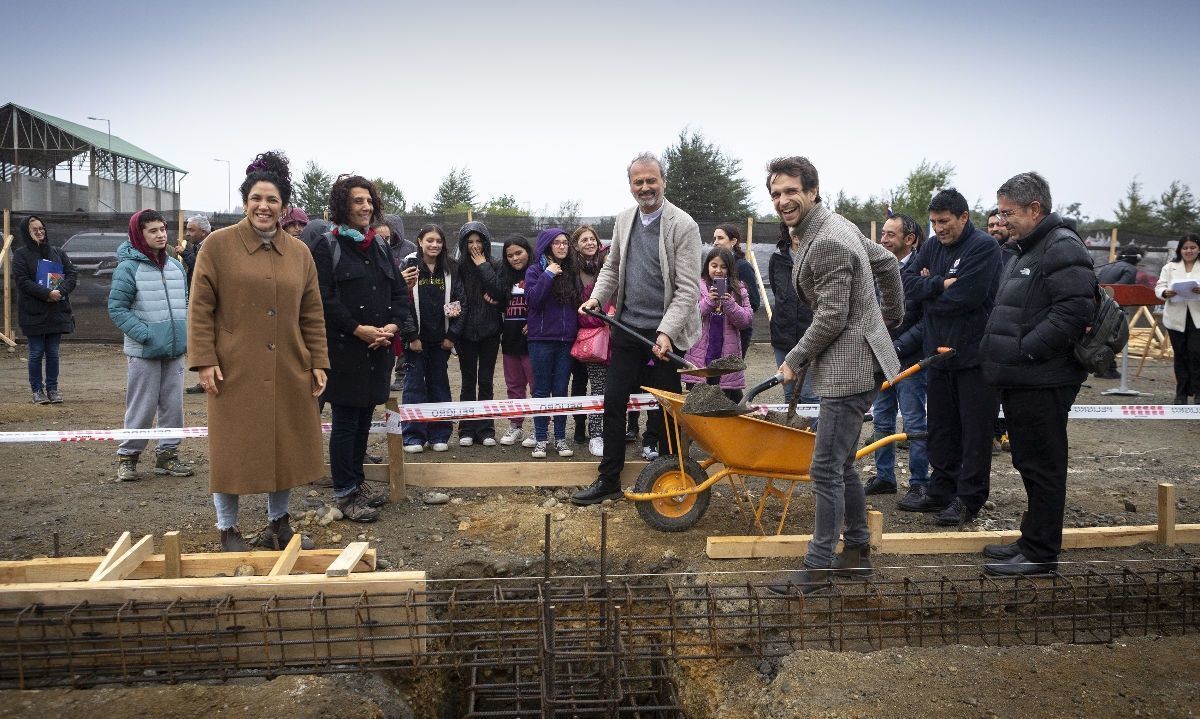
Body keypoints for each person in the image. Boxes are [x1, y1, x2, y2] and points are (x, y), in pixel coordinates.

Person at [763, 156, 903, 595]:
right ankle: (857, 553)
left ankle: (819, 566)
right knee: (841, 464)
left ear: (812, 191)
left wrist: (794, 359)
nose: (783, 200)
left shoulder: (828, 241)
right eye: (776, 193)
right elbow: (886, 263)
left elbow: (832, 317)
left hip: (851, 366)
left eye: (791, 191)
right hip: (859, 356)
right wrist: (890, 317)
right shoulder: (831, 225)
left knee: (823, 467)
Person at [188, 151, 329, 552]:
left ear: (284, 207)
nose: (263, 207)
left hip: (288, 364)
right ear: (245, 202)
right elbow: (200, 307)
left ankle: (277, 524)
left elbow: (312, 313)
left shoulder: (300, 253)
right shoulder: (217, 245)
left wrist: (318, 360)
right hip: (233, 367)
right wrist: (204, 360)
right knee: (231, 449)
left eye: (272, 200)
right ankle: (227, 529)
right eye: (256, 199)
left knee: (283, 445)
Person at [979, 171, 1094, 576]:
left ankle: (1042, 553)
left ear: (1035, 209)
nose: (1001, 220)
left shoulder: (1060, 246)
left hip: (1044, 378)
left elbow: (1075, 312)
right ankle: (1032, 539)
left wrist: (1024, 352)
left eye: (1007, 212)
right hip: (1024, 377)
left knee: (1043, 465)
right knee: (1028, 462)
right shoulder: (1028, 249)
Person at [574, 153, 702, 505]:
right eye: (638, 182)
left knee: (667, 410)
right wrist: (598, 299)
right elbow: (612, 267)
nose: (645, 187)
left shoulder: (684, 225)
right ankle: (609, 479)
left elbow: (688, 289)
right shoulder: (624, 220)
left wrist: (667, 333)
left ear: (663, 181)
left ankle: (671, 479)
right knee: (614, 401)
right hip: (628, 329)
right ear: (630, 184)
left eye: (651, 180)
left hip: (665, 335)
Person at [895, 189, 1002, 527]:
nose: (939, 228)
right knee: (940, 427)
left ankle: (968, 498)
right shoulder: (931, 247)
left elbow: (967, 298)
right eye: (934, 222)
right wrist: (939, 285)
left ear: (963, 218)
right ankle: (940, 489)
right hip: (937, 356)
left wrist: (931, 293)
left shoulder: (983, 248)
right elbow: (907, 284)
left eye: (945, 221)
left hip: (973, 357)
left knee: (973, 431)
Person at [313, 175, 415, 523]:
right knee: (345, 421)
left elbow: (399, 294)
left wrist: (394, 326)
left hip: (378, 350)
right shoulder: (327, 247)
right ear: (343, 205)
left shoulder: (381, 246)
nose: (365, 207)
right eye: (358, 201)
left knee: (362, 420)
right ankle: (345, 492)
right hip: (344, 350)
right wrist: (357, 329)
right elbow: (322, 299)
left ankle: (356, 483)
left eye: (369, 201)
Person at [107, 209, 194, 481]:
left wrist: (184, 334)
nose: (160, 235)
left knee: (173, 405)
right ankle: (128, 458)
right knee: (141, 406)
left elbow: (185, 303)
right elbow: (117, 308)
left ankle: (167, 456)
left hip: (175, 350)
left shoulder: (176, 267)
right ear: (139, 234)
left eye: (162, 229)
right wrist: (145, 334)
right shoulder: (128, 268)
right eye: (153, 230)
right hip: (144, 351)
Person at [864, 213, 929, 504]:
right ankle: (885, 477)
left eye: (891, 234)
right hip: (882, 358)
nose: (884, 239)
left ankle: (919, 482)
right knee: (882, 420)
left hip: (909, 359)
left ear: (909, 239)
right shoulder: (879, 269)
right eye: (883, 234)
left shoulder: (920, 270)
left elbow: (925, 321)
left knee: (914, 423)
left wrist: (899, 348)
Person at [401, 224, 463, 453]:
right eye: (430, 240)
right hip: (416, 341)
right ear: (419, 241)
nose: (434, 245)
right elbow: (402, 302)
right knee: (414, 386)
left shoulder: (451, 268)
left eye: (438, 241)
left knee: (439, 386)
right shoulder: (409, 266)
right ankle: (413, 436)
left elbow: (459, 300)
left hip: (441, 341)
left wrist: (452, 336)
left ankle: (440, 434)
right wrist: (411, 336)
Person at [526, 228, 580, 459]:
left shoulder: (572, 272)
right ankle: (540, 439)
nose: (562, 246)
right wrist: (547, 274)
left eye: (565, 243)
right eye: (557, 243)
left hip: (566, 340)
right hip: (541, 340)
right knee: (540, 390)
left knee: (561, 390)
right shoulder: (535, 270)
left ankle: (559, 438)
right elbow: (533, 301)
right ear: (547, 246)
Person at [12, 215, 77, 405]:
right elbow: (23, 281)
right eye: (35, 230)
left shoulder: (57, 252)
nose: (40, 232)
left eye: (41, 228)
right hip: (33, 313)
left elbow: (72, 274)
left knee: (53, 353)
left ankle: (53, 388)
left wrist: (60, 291)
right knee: (36, 352)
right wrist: (47, 294)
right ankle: (37, 390)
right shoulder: (21, 255)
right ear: (27, 232)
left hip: (56, 312)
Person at [454, 221, 504, 447]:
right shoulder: (457, 268)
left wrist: (483, 265)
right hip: (465, 333)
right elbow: (454, 298)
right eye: (470, 242)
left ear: (485, 242)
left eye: (478, 241)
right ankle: (466, 428)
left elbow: (498, 292)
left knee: (485, 381)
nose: (474, 246)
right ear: (463, 244)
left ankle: (485, 429)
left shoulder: (494, 264)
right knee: (467, 381)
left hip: (490, 332)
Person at [682, 246, 753, 401]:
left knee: (722, 405)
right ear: (707, 266)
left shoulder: (739, 290)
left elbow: (746, 321)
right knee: (698, 404)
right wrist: (708, 302)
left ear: (730, 269)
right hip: (700, 359)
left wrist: (730, 304)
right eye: (714, 265)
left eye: (723, 266)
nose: (718, 270)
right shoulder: (696, 287)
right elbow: (687, 318)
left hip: (726, 360)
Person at [570, 224, 612, 457]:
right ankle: (585, 430)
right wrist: (600, 321)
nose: (589, 243)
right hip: (587, 337)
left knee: (607, 388)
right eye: (584, 240)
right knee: (585, 385)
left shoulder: (607, 266)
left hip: (612, 337)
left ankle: (604, 433)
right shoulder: (572, 271)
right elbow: (576, 308)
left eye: (592, 239)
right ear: (576, 245)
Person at [768, 221, 818, 407]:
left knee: (809, 397)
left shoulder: (819, 257)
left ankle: (813, 436)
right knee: (789, 394)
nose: (797, 232)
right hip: (782, 336)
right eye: (793, 228)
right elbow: (778, 292)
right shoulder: (777, 259)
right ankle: (793, 435)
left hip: (810, 338)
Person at [497, 234, 538, 448]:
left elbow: (545, 303)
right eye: (510, 255)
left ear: (528, 252)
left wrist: (535, 321)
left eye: (518, 253)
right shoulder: (503, 277)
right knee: (514, 386)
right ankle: (516, 426)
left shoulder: (538, 273)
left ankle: (539, 430)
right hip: (510, 340)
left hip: (533, 342)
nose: (515, 258)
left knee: (536, 386)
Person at [1156, 233, 1200, 404]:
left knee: (1196, 354)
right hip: (1175, 317)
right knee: (1180, 355)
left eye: (1193, 247)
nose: (1189, 251)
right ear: (1180, 249)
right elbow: (1160, 287)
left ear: (1198, 249)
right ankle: (1181, 394)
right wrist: (1165, 292)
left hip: (1197, 319)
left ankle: (1198, 393)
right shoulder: (1170, 267)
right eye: (1185, 248)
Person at [380, 214, 419, 392]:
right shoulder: (370, 252)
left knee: (401, 344)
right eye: (381, 237)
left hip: (402, 305)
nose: (385, 241)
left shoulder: (409, 248)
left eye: (387, 237)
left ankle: (401, 376)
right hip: (380, 307)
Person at [712, 223, 762, 359]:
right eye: (715, 238)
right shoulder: (715, 267)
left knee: (730, 376)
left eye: (720, 238)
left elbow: (754, 302)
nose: (716, 242)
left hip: (738, 332)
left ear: (733, 241)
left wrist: (734, 310)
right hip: (716, 328)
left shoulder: (743, 267)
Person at [181, 213, 211, 283]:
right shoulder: (196, 246)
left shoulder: (212, 247)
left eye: (191, 230)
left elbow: (198, 265)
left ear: (203, 232)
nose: (187, 234)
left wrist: (184, 252)